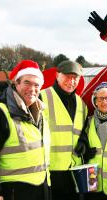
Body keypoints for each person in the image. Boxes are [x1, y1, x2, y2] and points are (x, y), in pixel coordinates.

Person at [0, 60, 50, 200]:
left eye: (36, 85)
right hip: (13, 192)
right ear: (16, 82)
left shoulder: (41, 113)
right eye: (27, 82)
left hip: (41, 188)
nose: (32, 89)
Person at [40, 60, 88, 200]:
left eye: (75, 78)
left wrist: (83, 142)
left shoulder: (81, 103)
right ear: (57, 75)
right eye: (67, 76)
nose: (71, 81)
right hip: (51, 171)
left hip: (75, 171)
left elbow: (84, 128)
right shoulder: (42, 97)